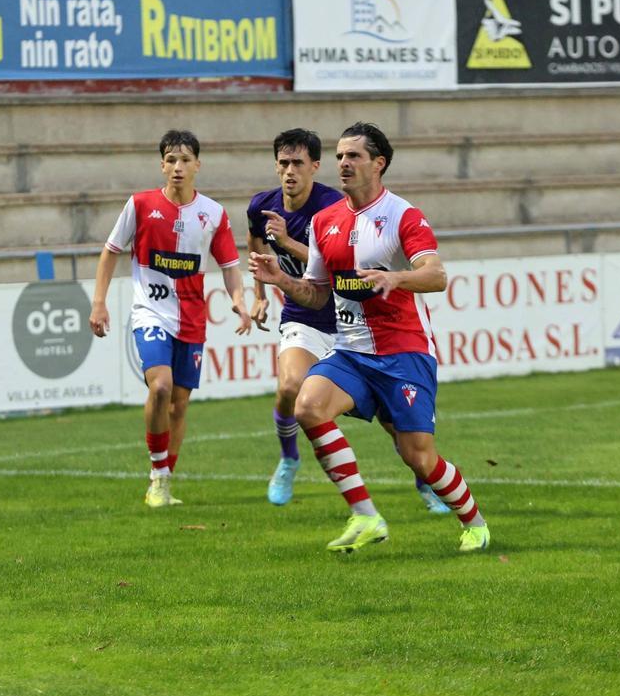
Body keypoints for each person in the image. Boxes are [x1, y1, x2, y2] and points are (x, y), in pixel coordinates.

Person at [250, 122, 491, 553]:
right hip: (352, 351)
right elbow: (317, 292)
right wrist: (280, 280)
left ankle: (474, 523)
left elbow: (436, 275)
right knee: (306, 404)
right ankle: (365, 516)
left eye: (354, 156)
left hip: (404, 352)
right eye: (340, 156)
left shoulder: (403, 214)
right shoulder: (324, 221)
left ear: (379, 164)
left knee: (418, 457)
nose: (344, 163)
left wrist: (394, 277)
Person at [90, 129, 252, 507]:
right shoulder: (140, 205)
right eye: (170, 160)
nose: (177, 167)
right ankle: (157, 473)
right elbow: (110, 251)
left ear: (198, 165)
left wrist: (239, 301)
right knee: (160, 387)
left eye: (185, 160)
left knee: (179, 404)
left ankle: (163, 479)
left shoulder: (213, 214)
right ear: (161, 165)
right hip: (150, 312)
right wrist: (99, 302)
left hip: (192, 320)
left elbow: (229, 266)